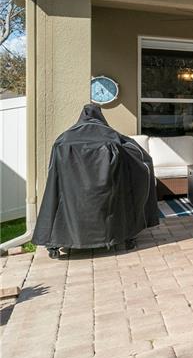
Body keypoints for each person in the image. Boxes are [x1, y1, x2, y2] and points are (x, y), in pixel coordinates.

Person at [32, 104, 159, 258]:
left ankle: (58, 243)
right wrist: (145, 163)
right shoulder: (111, 135)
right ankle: (124, 236)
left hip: (73, 195)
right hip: (107, 194)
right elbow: (138, 153)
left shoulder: (64, 139)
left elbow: (54, 169)